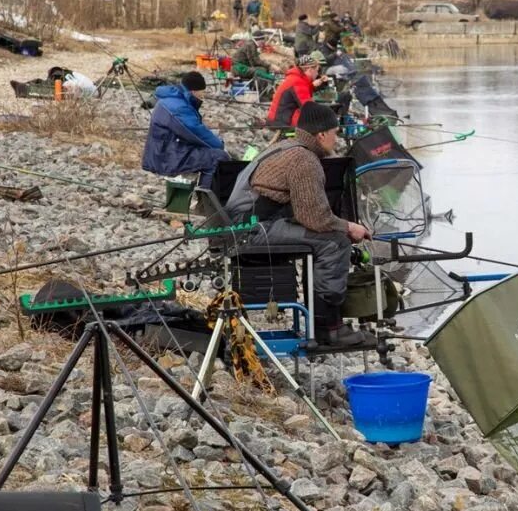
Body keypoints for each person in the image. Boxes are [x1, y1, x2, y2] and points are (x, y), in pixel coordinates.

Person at [225, 101, 371, 347]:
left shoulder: (286, 145)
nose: (336, 140)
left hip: (242, 224)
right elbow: (316, 218)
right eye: (335, 134)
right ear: (322, 134)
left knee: (324, 238)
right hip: (253, 230)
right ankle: (329, 328)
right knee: (334, 243)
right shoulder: (304, 160)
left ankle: (319, 321)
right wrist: (349, 227)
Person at [142, 71, 229, 188]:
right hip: (166, 158)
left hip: (164, 150)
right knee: (218, 157)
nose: (202, 97)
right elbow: (196, 132)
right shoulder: (178, 107)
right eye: (201, 93)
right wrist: (220, 145)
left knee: (211, 152)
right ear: (193, 91)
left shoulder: (173, 98)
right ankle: (205, 201)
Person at [266, 52, 328, 127]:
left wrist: (314, 85)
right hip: (282, 122)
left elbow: (302, 92)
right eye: (317, 70)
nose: (318, 74)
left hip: (278, 118)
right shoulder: (298, 82)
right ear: (310, 69)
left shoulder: (296, 78)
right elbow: (308, 107)